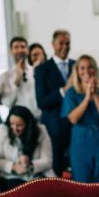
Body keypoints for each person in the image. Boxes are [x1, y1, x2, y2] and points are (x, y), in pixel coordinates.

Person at [62, 55, 99, 183]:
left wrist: (94, 93)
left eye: (90, 67)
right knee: (82, 180)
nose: (86, 71)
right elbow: (73, 119)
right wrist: (87, 97)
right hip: (81, 140)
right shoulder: (72, 92)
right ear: (77, 71)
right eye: (82, 68)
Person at [34, 30, 74, 177]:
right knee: (56, 169)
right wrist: (63, 91)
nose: (65, 47)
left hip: (76, 127)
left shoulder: (76, 66)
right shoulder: (42, 69)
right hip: (54, 128)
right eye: (61, 43)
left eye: (67, 43)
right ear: (53, 44)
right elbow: (41, 101)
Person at [0, 105, 53, 189]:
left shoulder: (40, 131)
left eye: (20, 125)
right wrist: (13, 167)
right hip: (10, 177)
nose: (15, 128)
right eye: (12, 124)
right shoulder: (3, 129)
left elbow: (48, 161)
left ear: (28, 125)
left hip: (36, 177)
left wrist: (30, 165)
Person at [0, 37, 39, 116]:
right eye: (16, 47)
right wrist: (16, 82)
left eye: (23, 47)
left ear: (27, 50)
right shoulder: (5, 76)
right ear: (11, 51)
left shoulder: (36, 71)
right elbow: (7, 103)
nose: (20, 50)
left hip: (37, 117)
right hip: (18, 121)